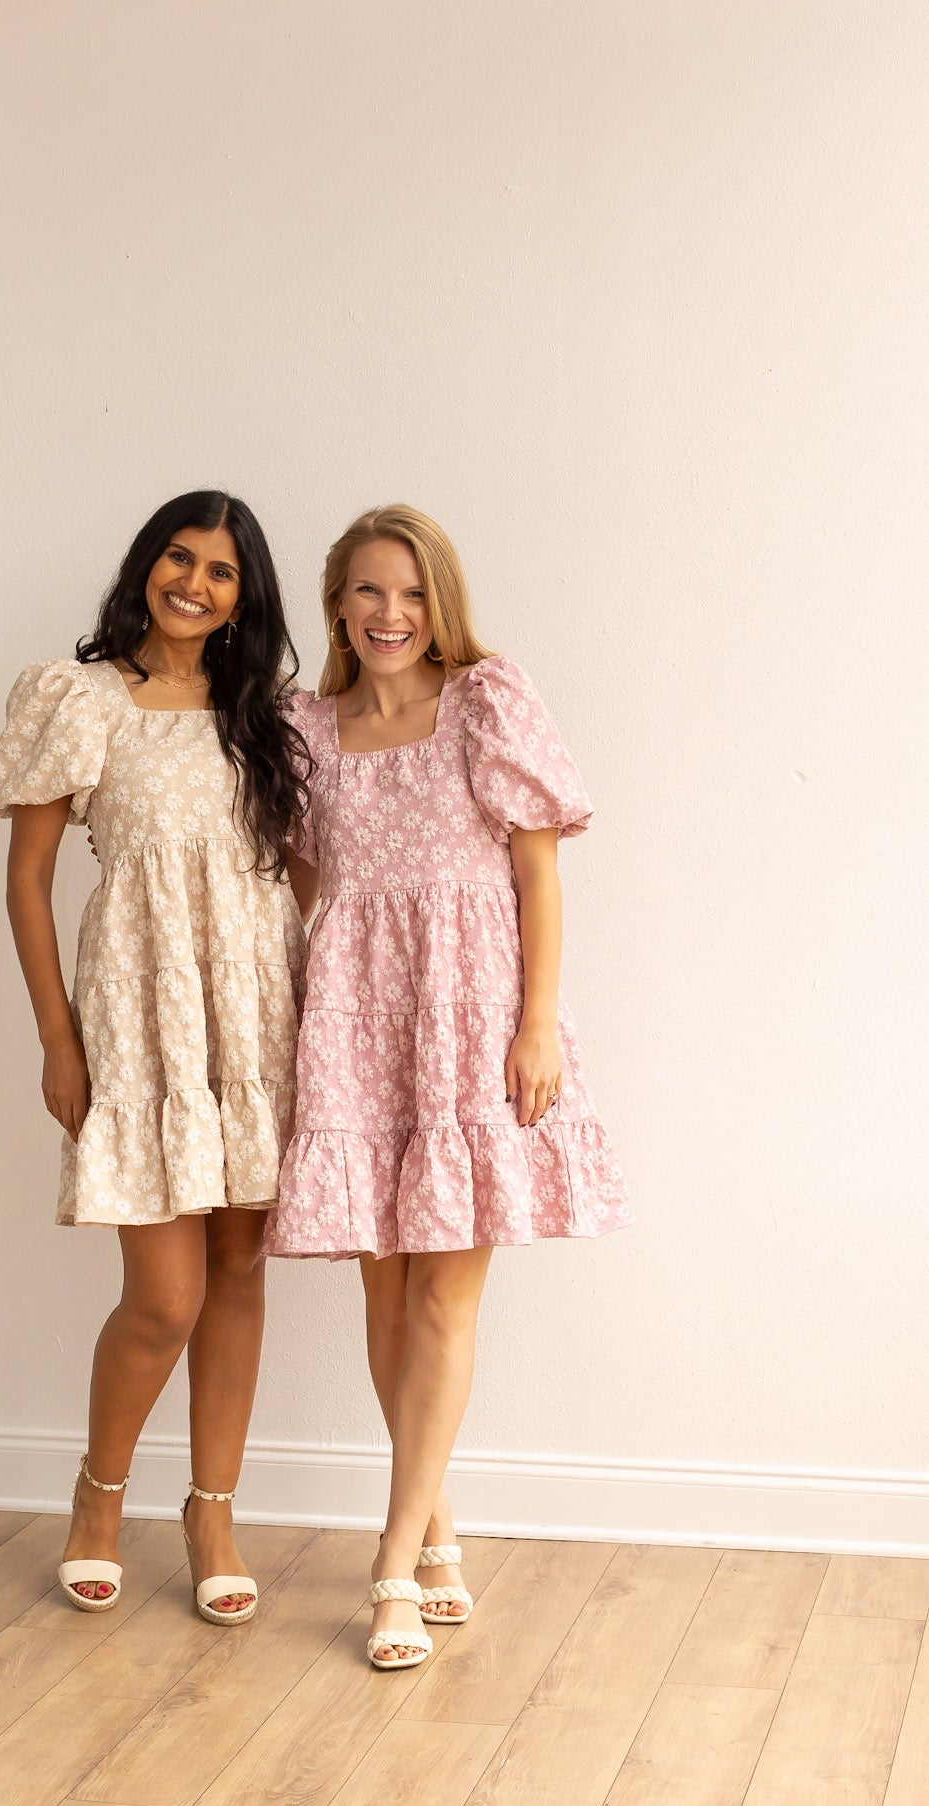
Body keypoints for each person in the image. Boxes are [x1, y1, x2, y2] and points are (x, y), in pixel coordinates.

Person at [267, 504, 633, 1667]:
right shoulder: (304, 730)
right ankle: (436, 1533)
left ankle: (390, 1562)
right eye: (371, 591)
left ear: (442, 604)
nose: (393, 613)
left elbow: (539, 874)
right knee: (385, 1302)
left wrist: (536, 1024)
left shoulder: (487, 701)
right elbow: (307, 884)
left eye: (415, 592)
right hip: (356, 1024)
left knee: (442, 1303)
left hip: (472, 1016)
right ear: (338, 604)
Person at [0, 491, 310, 1624]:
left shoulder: (265, 715)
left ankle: (212, 1513)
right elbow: (27, 882)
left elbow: (300, 872)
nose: (193, 584)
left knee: (240, 1270)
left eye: (221, 571)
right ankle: (99, 1497)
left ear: (242, 599)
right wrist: (57, 1037)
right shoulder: (79, 698)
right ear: (144, 565)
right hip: (139, 1013)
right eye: (178, 557)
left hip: (253, 1017)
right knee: (165, 1297)